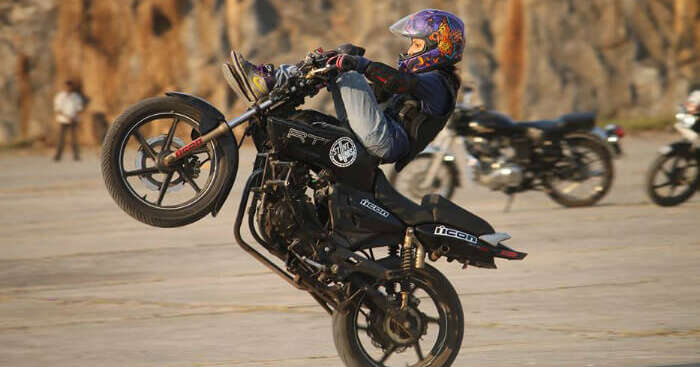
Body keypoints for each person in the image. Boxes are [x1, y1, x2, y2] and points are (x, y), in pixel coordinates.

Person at [231, 9, 464, 169]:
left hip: (386, 141)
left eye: (416, 44)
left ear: (437, 46)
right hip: (382, 134)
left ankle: (271, 81)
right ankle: (280, 85)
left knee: (347, 68)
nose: (410, 51)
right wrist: (333, 66)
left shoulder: (437, 83)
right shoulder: (427, 81)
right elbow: (379, 92)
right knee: (337, 63)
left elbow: (398, 82)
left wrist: (359, 65)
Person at [53, 80, 84, 161]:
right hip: (63, 120)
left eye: (70, 86)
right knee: (61, 139)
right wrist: (67, 117)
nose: (68, 88)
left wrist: (73, 116)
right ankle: (58, 156)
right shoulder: (60, 96)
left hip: (74, 120)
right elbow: (58, 109)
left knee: (74, 139)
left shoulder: (76, 97)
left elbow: (79, 108)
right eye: (67, 86)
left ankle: (76, 155)